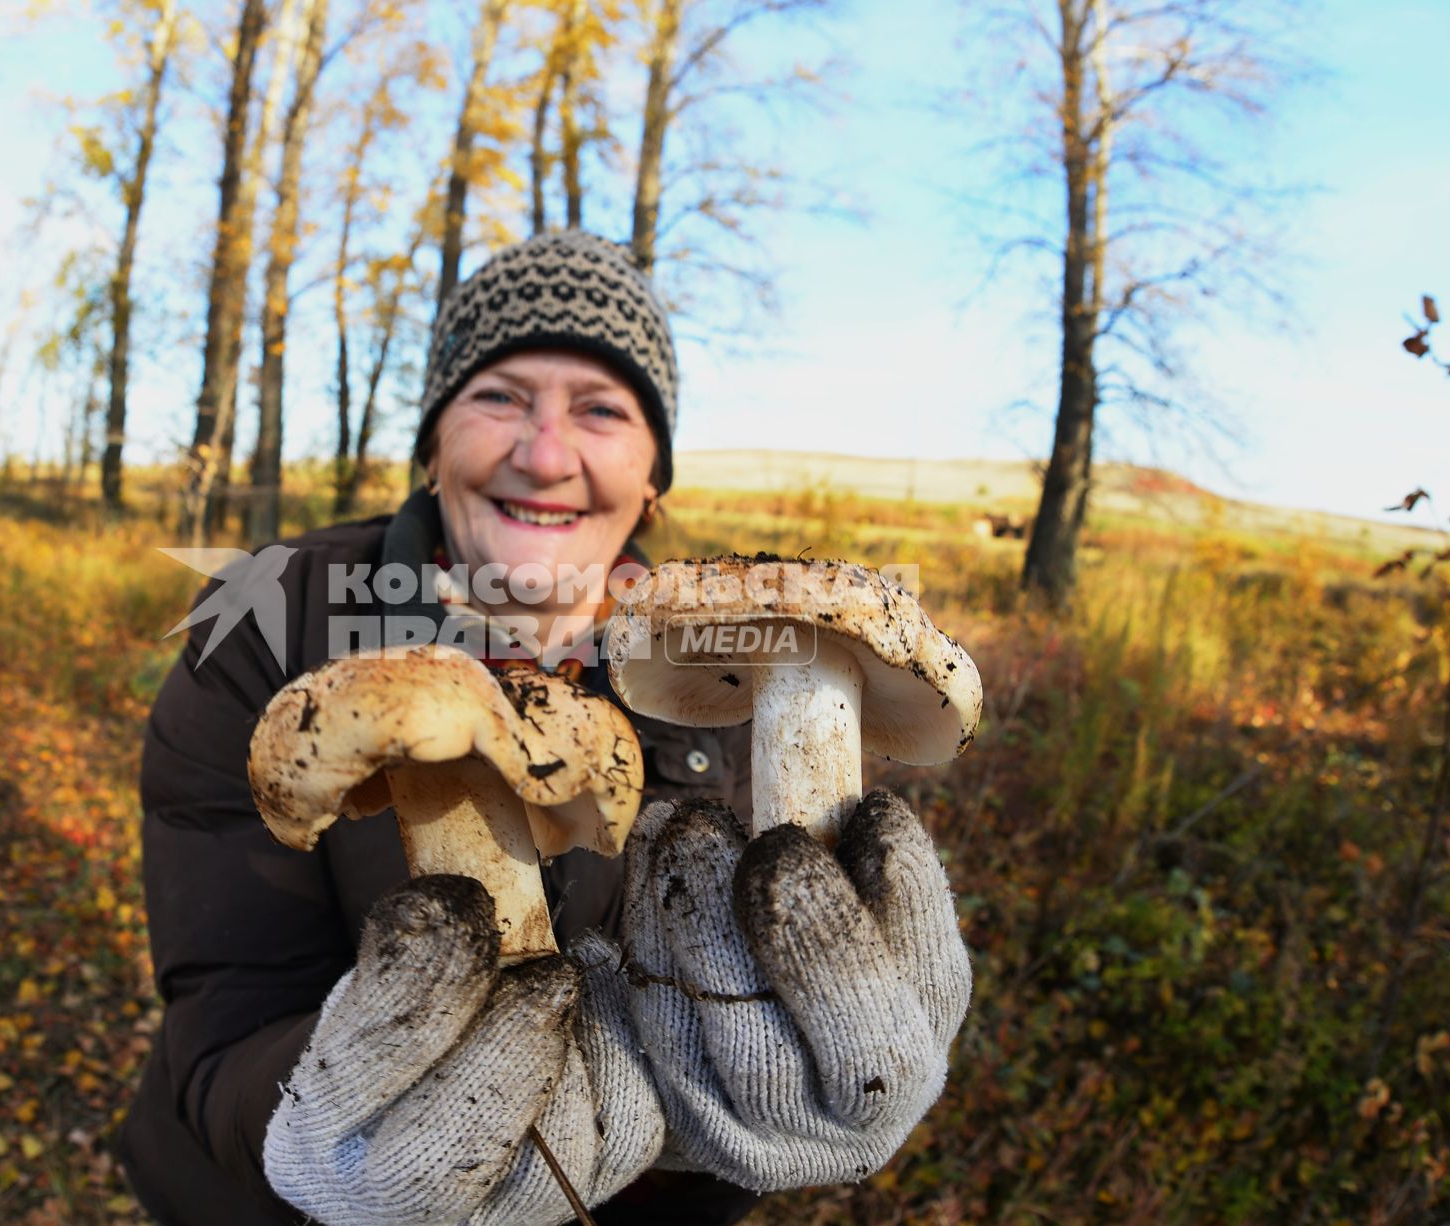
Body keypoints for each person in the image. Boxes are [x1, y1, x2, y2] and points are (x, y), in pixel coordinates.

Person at [115, 231, 971, 1226]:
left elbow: (740, 1012)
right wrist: (313, 1128)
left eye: (601, 409)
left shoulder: (730, 665)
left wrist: (735, 1134)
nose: (546, 452)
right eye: (499, 396)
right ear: (433, 444)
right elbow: (227, 1005)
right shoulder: (273, 620)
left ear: (655, 477)